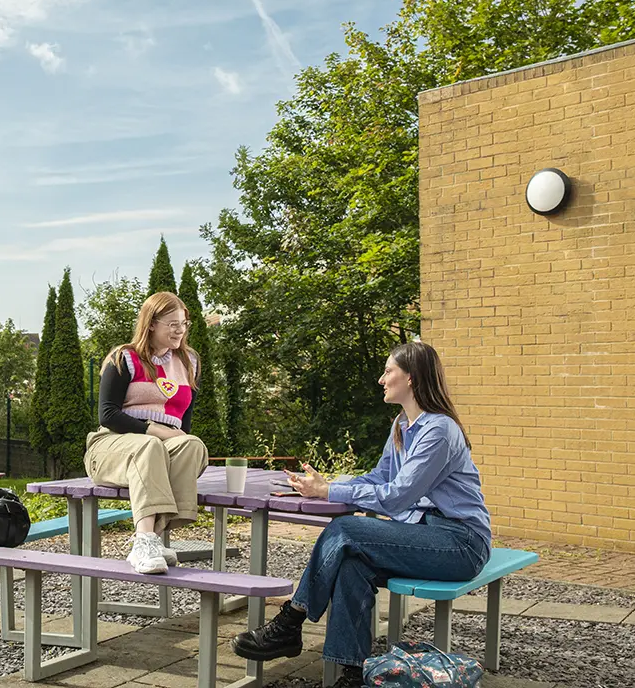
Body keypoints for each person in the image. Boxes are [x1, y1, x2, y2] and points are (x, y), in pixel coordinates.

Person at [231, 341, 492, 687]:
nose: (382, 379)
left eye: (388, 371)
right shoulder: (402, 425)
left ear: (411, 378)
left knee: (346, 530)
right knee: (352, 567)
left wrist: (329, 493)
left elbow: (398, 496)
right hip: (421, 536)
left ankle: (291, 621)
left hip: (460, 542)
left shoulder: (439, 431)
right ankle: (352, 673)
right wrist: (327, 484)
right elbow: (378, 478)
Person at [85, 291, 209, 575]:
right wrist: (158, 433)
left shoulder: (189, 360)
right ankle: (143, 540)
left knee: (192, 445)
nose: (180, 330)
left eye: (184, 324)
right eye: (173, 324)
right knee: (149, 446)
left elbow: (183, 422)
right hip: (111, 445)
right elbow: (108, 415)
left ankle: (152, 536)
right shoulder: (124, 358)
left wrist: (175, 437)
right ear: (151, 323)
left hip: (156, 451)